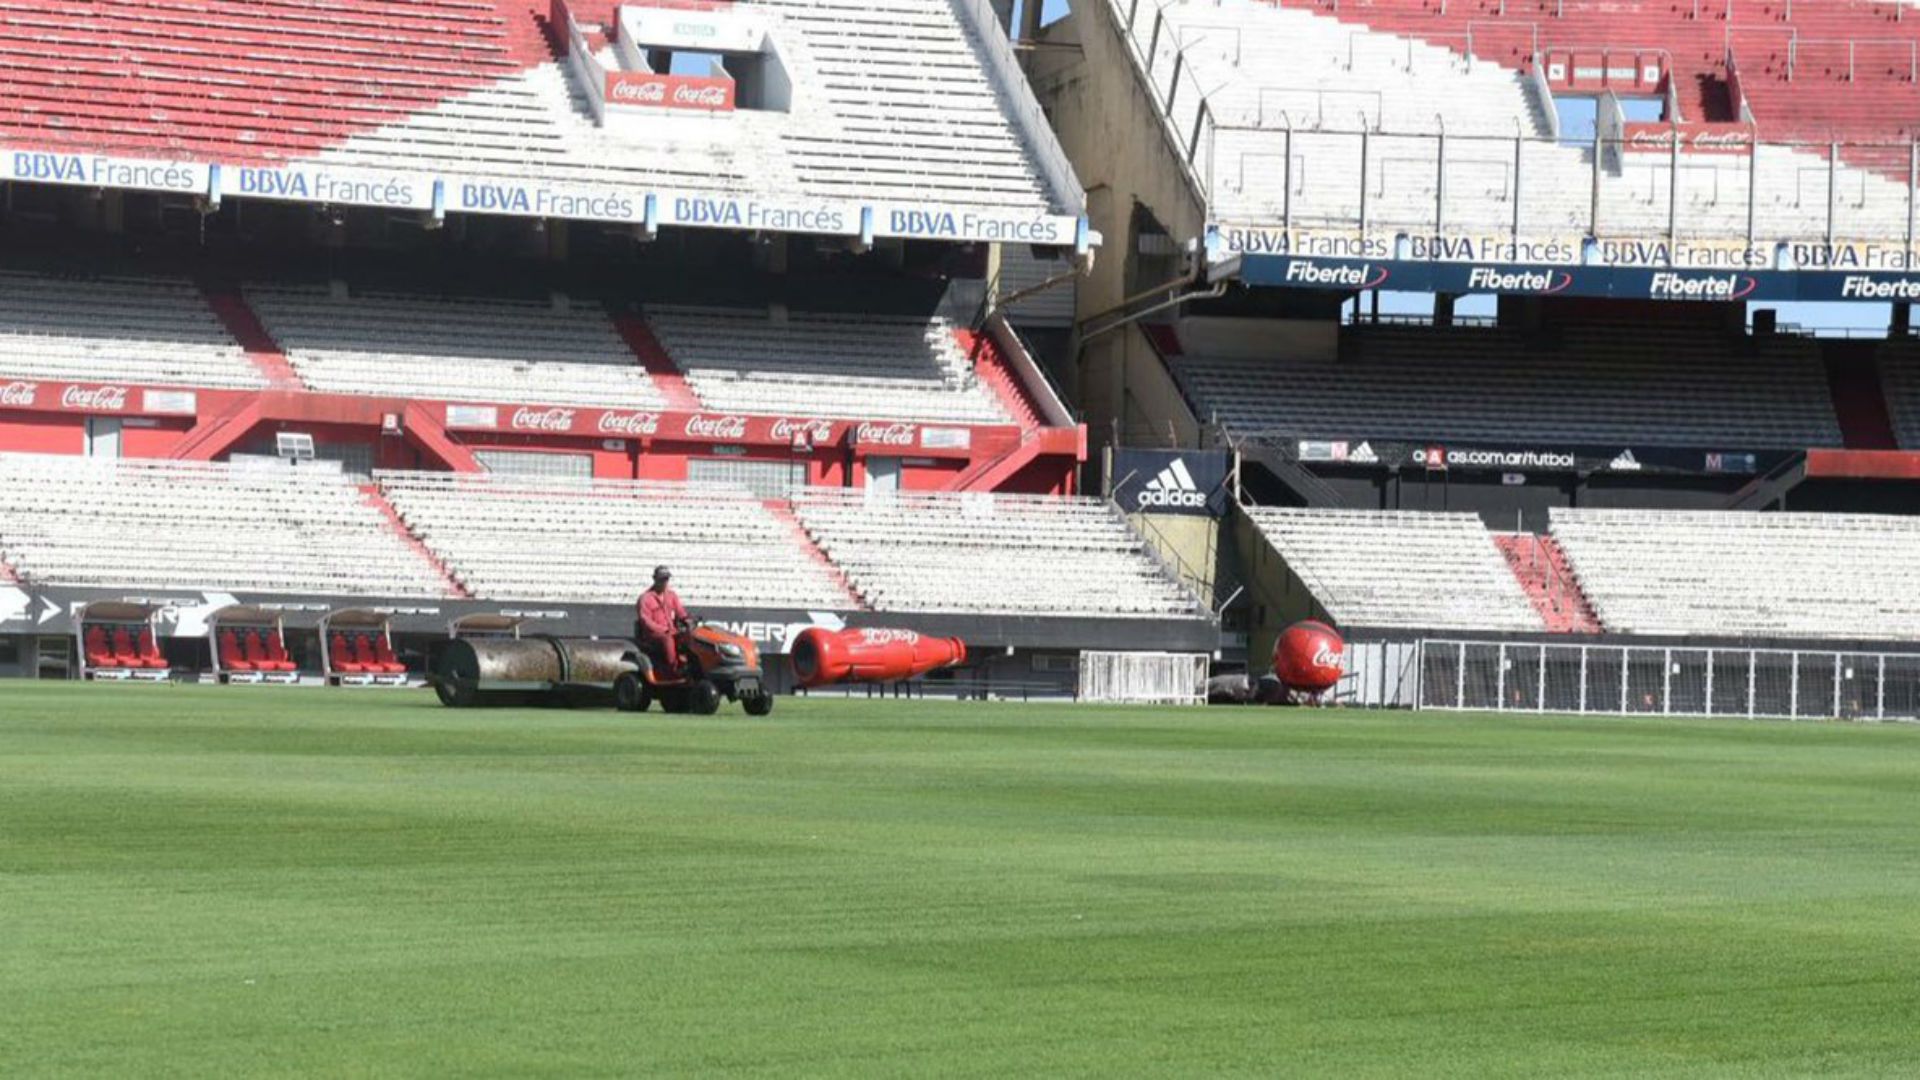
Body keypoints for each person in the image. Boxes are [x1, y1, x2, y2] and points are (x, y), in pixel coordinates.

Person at [636, 565, 690, 675]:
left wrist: (687, 620)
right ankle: (672, 669)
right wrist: (663, 630)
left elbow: (680, 612)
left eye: (666, 579)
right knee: (668, 639)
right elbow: (645, 621)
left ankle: (688, 666)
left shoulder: (672, 595)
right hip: (653, 635)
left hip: (671, 630)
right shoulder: (645, 598)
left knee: (690, 636)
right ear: (655, 579)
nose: (665, 582)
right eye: (662, 579)